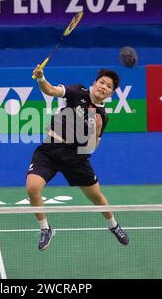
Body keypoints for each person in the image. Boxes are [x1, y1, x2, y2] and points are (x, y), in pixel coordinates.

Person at [27, 66, 130, 251]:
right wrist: (41, 78)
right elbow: (50, 90)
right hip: (50, 149)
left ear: (110, 93)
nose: (103, 87)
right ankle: (45, 228)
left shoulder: (102, 116)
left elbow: (91, 148)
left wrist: (97, 131)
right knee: (32, 188)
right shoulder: (77, 92)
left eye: (108, 86)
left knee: (96, 197)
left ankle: (113, 225)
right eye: (101, 82)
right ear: (94, 83)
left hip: (76, 157)